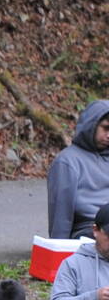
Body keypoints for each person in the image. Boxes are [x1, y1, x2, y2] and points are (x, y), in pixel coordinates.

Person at [48, 101, 109, 239]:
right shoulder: (67, 161)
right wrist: (58, 249)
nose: (108, 135)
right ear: (91, 126)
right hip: (89, 229)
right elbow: (60, 214)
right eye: (105, 128)